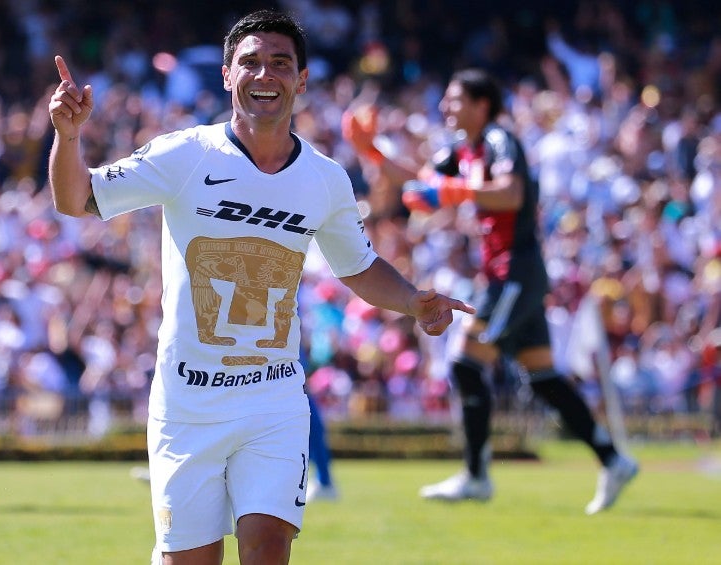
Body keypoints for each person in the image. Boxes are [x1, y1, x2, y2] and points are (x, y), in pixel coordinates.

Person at [48, 9, 474, 564]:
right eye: (249, 62)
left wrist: (414, 301)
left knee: (268, 548)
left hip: (272, 398)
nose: (264, 74)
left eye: (280, 63)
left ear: (301, 79)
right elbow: (74, 199)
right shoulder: (185, 154)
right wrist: (68, 136)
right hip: (187, 404)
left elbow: (359, 268)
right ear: (227, 75)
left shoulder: (325, 178)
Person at [343, 68, 638, 515]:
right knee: (543, 378)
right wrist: (371, 151)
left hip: (515, 272)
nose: (445, 108)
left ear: (482, 105)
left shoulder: (499, 139)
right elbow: (422, 178)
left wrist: (452, 192)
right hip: (505, 274)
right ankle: (613, 459)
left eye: (454, 100)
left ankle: (477, 477)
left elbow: (511, 192)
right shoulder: (464, 149)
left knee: (465, 362)